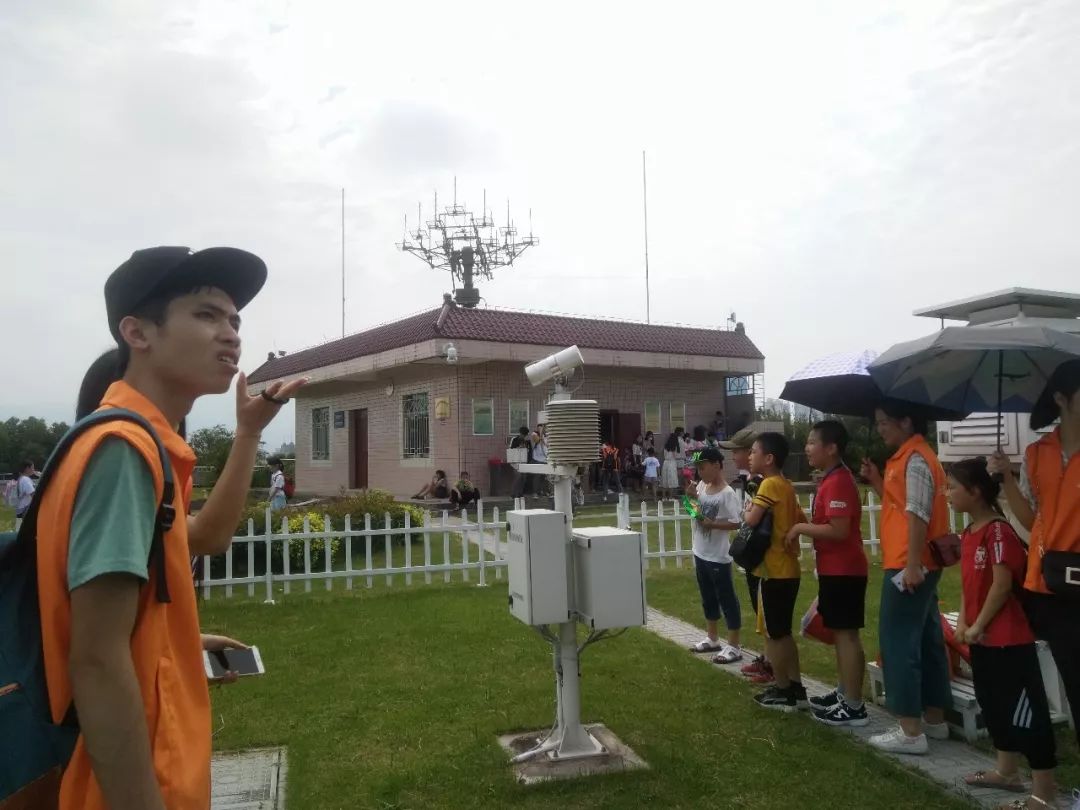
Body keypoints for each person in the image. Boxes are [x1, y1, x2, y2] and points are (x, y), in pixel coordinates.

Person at [35, 246, 306, 810]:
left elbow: (204, 539)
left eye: (235, 320)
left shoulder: (146, 448)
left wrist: (178, 643)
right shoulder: (122, 452)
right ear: (137, 332)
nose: (230, 334)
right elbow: (97, 658)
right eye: (206, 315)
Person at [948, 458, 1057, 808]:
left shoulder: (998, 531)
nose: (947, 493)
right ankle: (1006, 772)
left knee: (1028, 714)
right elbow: (968, 587)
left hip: (1010, 641)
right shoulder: (968, 534)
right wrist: (964, 623)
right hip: (983, 643)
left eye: (952, 487)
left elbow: (1001, 585)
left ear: (976, 491)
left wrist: (978, 625)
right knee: (993, 705)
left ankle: (1044, 793)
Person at [991, 357, 1080, 747]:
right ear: (1062, 399)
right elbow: (1030, 518)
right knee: (1074, 683)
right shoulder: (1036, 453)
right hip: (1049, 586)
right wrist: (1007, 478)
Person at [860, 400, 951, 755]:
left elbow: (917, 514)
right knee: (928, 638)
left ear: (906, 421)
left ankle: (910, 732)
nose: (880, 427)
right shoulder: (912, 457)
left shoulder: (914, 459)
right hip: (921, 562)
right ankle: (934, 719)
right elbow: (900, 505)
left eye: (885, 421)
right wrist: (877, 481)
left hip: (908, 564)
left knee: (898, 640)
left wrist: (912, 564)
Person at [786, 421, 869, 727]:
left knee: (846, 636)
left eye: (812, 442)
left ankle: (854, 705)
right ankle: (845, 692)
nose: (807, 448)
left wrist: (799, 528)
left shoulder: (839, 482)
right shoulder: (832, 479)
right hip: (836, 568)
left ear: (831, 447)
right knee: (841, 634)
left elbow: (838, 530)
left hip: (845, 569)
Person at [744, 432, 808, 711]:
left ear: (768, 459)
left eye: (754, 452)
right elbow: (800, 518)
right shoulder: (787, 485)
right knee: (784, 632)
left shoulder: (769, 485)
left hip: (773, 570)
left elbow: (751, 519)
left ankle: (783, 689)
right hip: (788, 568)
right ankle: (796, 686)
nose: (749, 456)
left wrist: (749, 505)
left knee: (775, 633)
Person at [720, 427, 772, 684]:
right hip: (756, 558)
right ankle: (767, 657)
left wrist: (747, 514)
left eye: (738, 451)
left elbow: (755, 519)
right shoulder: (753, 480)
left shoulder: (762, 481)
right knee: (761, 610)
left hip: (764, 558)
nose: (735, 456)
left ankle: (772, 664)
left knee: (767, 611)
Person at [686, 447, 745, 665]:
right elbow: (694, 514)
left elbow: (738, 522)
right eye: (698, 468)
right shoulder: (701, 486)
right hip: (700, 551)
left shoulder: (727, 493)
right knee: (708, 596)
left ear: (717, 465)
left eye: (703, 467)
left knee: (727, 598)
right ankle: (712, 638)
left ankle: (734, 645)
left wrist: (715, 524)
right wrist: (690, 498)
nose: (700, 472)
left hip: (718, 556)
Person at [660, 432, 681, 498]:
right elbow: (676, 456)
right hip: (672, 463)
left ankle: (664, 497)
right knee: (671, 480)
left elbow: (662, 454)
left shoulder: (666, 446)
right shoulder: (674, 446)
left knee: (664, 480)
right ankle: (670, 497)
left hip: (665, 463)